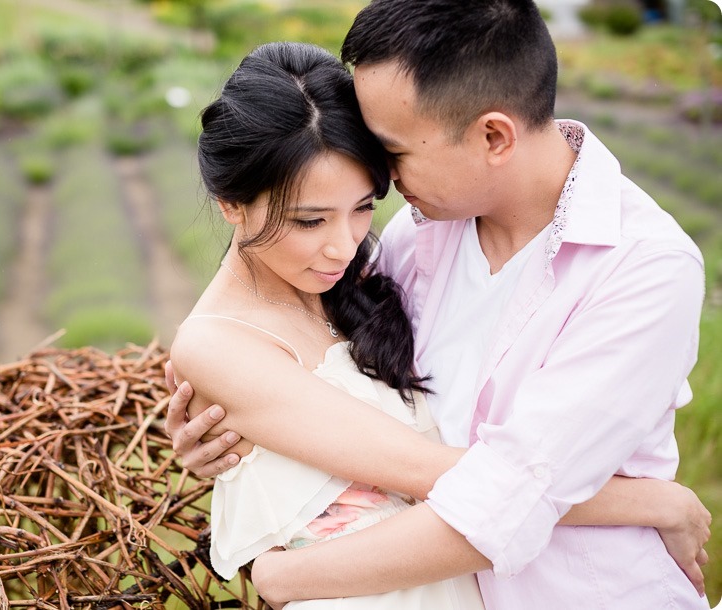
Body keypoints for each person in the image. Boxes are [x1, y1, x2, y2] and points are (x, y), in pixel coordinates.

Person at [167, 35, 712, 610]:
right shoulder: (219, 341)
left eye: (361, 207)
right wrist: (655, 502)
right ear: (230, 204)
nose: (343, 245)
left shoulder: (367, 276)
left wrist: (280, 564)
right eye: (309, 220)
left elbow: (498, 482)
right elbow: (432, 471)